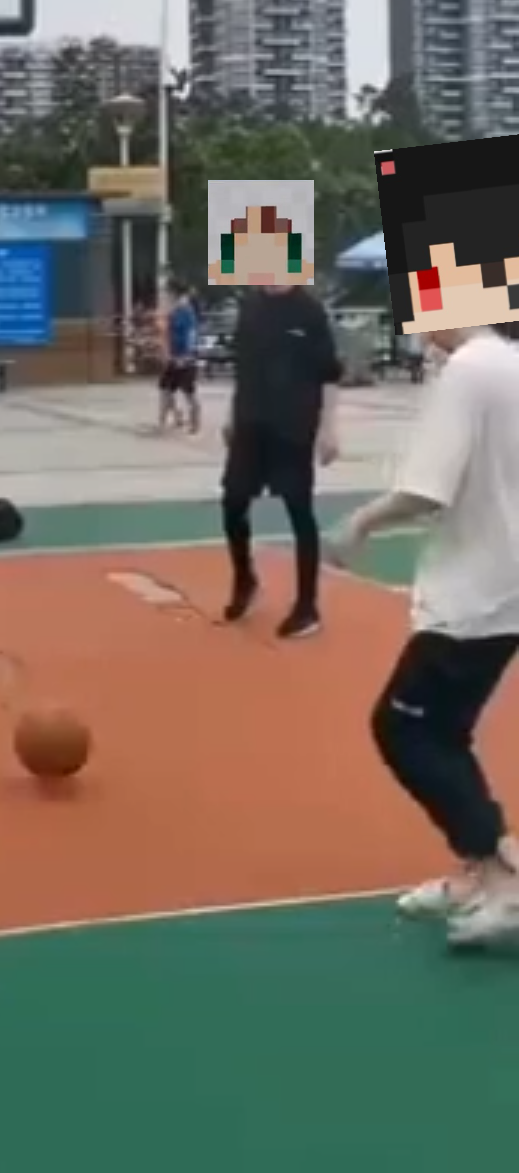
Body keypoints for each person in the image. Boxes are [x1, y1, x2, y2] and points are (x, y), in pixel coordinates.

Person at [329, 322, 519, 950]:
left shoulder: (470, 371)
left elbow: (424, 490)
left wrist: (359, 523)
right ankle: (481, 870)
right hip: (505, 587)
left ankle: (502, 880)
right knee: (446, 733)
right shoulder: (508, 363)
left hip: (476, 594)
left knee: (404, 729)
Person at [220, 283, 341, 638]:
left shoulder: (309, 310)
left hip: (293, 425)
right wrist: (231, 415)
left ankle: (307, 606)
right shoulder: (250, 306)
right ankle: (245, 579)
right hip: (250, 422)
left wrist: (329, 428)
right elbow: (243, 369)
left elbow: (329, 374)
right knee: (233, 501)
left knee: (299, 510)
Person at [159, 282, 201, 433]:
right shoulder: (173, 313)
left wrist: (187, 355)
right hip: (174, 356)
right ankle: (172, 417)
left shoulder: (188, 312)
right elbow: (169, 334)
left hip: (185, 357)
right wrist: (167, 353)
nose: (167, 298)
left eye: (169, 295)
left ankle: (195, 422)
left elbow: (191, 335)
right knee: (165, 389)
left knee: (189, 391)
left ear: (177, 296)